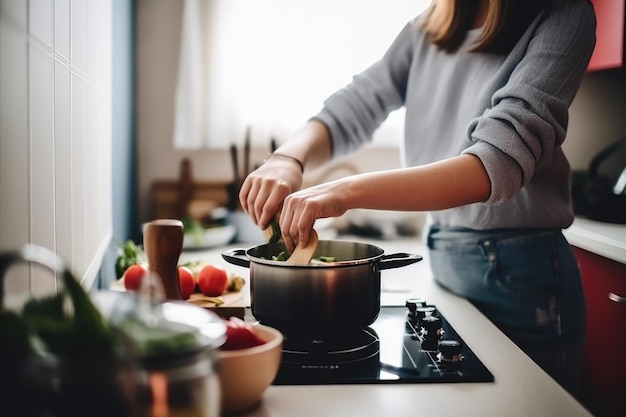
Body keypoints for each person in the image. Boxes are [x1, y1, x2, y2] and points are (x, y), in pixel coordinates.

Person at [239, 0, 596, 394]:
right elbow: (354, 106)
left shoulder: (564, 14)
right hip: (447, 262)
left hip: (525, 283)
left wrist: (344, 192)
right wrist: (288, 158)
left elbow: (497, 163)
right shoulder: (425, 29)